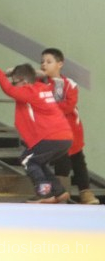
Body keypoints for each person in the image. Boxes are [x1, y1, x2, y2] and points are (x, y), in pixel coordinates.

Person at [0, 63, 73, 203]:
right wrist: (18, 72)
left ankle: (45, 194)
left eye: (15, 82)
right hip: (65, 137)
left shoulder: (29, 91)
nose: (13, 84)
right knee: (38, 162)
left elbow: (8, 89)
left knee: (27, 159)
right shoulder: (43, 87)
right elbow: (40, 76)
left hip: (50, 136)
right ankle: (58, 191)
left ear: (24, 81)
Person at [41, 48, 98, 204]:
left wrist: (50, 106)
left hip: (72, 129)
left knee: (78, 161)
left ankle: (85, 193)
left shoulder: (70, 85)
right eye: (42, 61)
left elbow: (68, 106)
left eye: (49, 61)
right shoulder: (40, 83)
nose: (44, 64)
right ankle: (60, 192)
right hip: (53, 132)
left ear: (60, 64)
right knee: (61, 161)